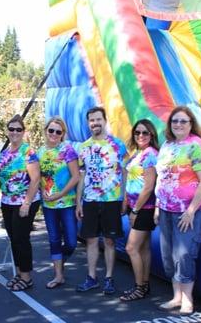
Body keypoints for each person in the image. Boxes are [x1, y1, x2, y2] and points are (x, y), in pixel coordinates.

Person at [155, 106, 201, 315]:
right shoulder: (167, 145)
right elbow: (161, 179)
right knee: (168, 255)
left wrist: (190, 210)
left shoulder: (197, 146)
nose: (178, 124)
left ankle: (187, 300)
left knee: (184, 254)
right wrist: (157, 206)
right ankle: (176, 297)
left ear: (191, 124)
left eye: (183, 121)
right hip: (165, 209)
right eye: (175, 121)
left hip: (190, 211)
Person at [76, 106, 127, 295]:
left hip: (111, 200)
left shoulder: (117, 145)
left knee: (109, 241)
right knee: (90, 240)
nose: (95, 123)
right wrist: (79, 201)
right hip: (90, 199)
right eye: (91, 120)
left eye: (98, 119)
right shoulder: (83, 147)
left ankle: (109, 278)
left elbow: (124, 173)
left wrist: (124, 198)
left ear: (105, 120)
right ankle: (91, 278)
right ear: (88, 123)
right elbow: (82, 176)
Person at [0, 115, 40, 292]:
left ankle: (26, 277)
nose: (14, 132)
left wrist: (26, 203)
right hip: (7, 201)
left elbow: (35, 178)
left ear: (24, 132)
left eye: (18, 129)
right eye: (11, 129)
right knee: (14, 239)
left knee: (22, 239)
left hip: (24, 202)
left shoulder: (28, 152)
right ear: (7, 131)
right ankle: (19, 272)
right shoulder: (4, 153)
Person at [38, 116, 80, 289]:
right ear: (46, 131)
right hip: (48, 205)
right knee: (54, 239)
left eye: (58, 131)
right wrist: (42, 192)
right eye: (51, 130)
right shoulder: (39, 152)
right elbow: (37, 177)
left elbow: (76, 176)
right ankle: (58, 275)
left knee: (71, 241)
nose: (54, 134)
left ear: (62, 134)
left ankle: (59, 262)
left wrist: (60, 194)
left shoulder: (67, 150)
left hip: (67, 203)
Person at [120, 119, 159, 302]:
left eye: (145, 133)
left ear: (151, 135)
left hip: (145, 208)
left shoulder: (150, 155)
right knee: (143, 248)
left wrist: (135, 210)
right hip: (134, 206)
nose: (141, 136)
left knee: (131, 247)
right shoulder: (138, 153)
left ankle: (139, 287)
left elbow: (148, 187)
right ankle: (144, 285)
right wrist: (127, 203)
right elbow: (131, 181)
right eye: (137, 133)